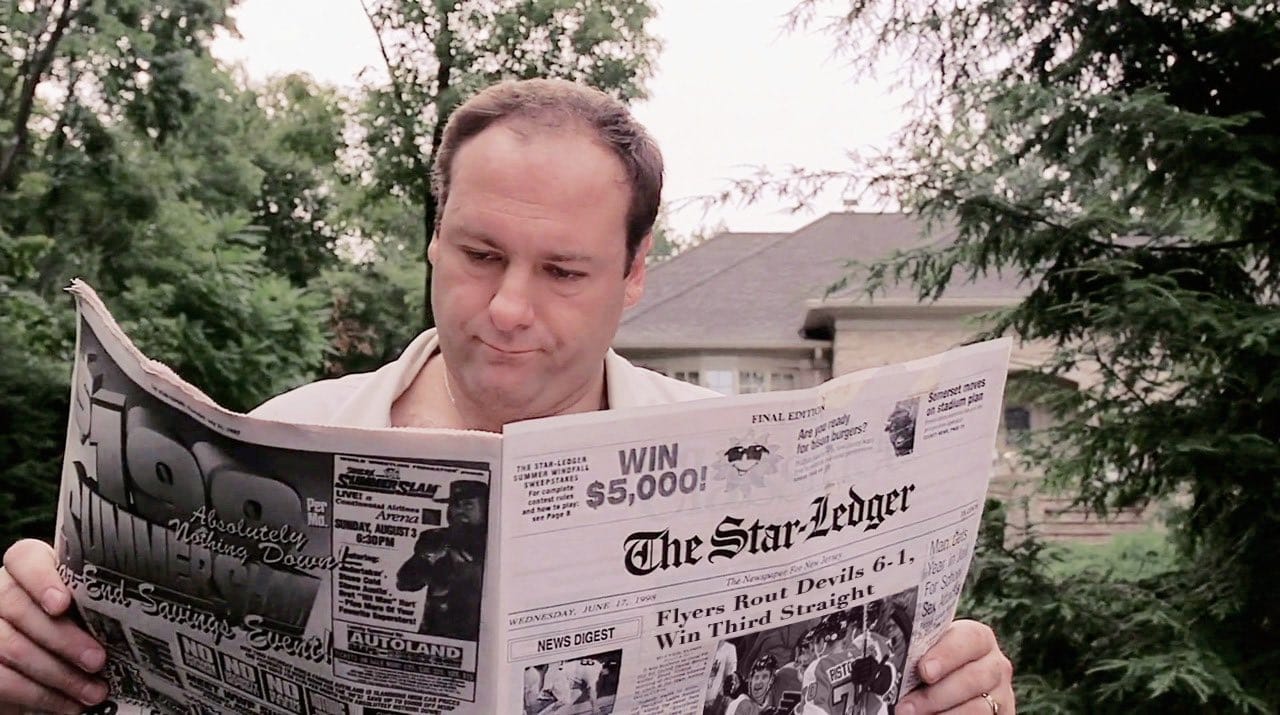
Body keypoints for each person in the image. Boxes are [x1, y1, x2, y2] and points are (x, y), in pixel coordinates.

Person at [0, 78, 1014, 715]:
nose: (508, 309)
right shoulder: (275, 436)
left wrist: (959, 693)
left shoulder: (754, 464)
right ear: (433, 238)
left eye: (564, 271)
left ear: (633, 275)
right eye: (479, 254)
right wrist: (45, 658)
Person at [395, 479, 488, 640]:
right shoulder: (435, 538)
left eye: (468, 505)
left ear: (486, 508)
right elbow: (405, 583)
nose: (459, 511)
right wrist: (428, 557)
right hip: (438, 634)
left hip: (481, 635)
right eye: (455, 505)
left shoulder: (497, 542)